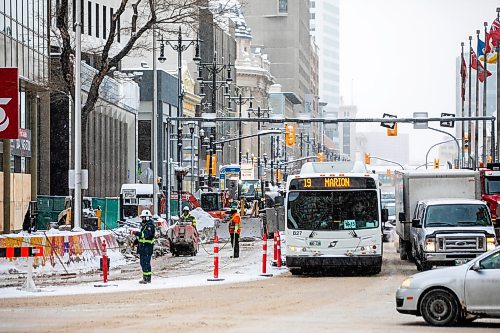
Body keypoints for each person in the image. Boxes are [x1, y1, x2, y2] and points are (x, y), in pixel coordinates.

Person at [131, 209, 155, 284]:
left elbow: (145, 235)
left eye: (143, 217)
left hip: (147, 248)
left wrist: (135, 233)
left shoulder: (150, 226)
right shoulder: (144, 226)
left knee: (146, 263)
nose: (142, 219)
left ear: (147, 217)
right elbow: (141, 237)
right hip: (143, 248)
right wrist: (135, 242)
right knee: (142, 263)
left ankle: (148, 279)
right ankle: (145, 277)